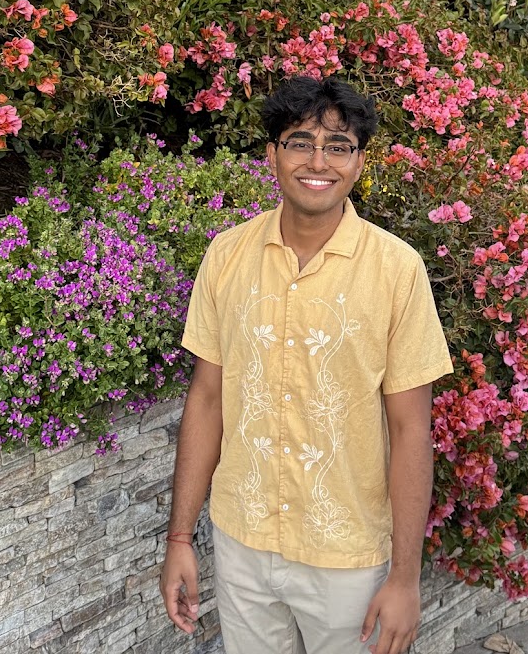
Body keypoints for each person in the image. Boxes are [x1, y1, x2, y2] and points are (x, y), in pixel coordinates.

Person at [160, 76, 453, 654]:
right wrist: (179, 538)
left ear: (359, 162)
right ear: (272, 154)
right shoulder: (227, 255)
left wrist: (405, 578)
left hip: (347, 559)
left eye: (338, 146)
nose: (318, 162)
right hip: (242, 541)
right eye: (300, 142)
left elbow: (410, 431)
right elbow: (208, 399)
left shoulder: (397, 271)